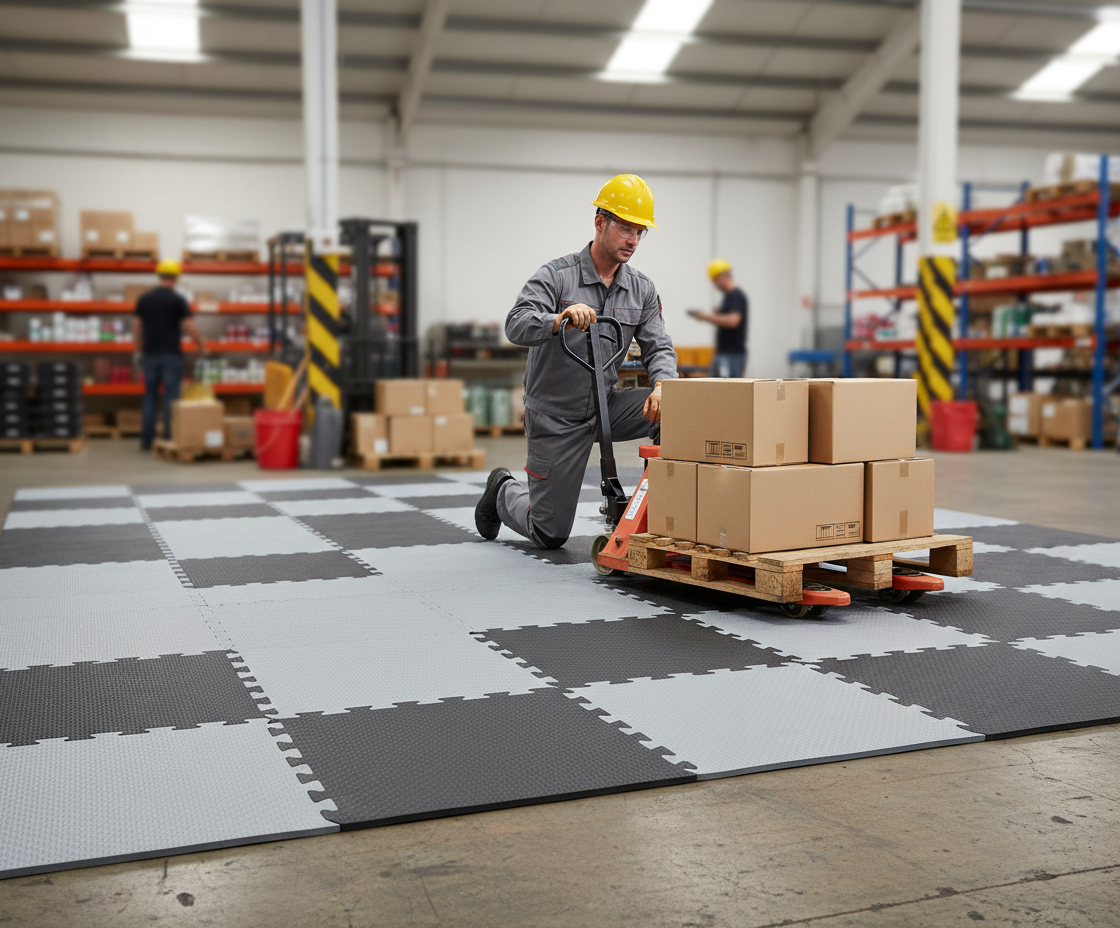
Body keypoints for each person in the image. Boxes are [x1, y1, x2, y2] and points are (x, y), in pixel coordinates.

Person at [474, 174, 678, 549]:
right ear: (600, 223)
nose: (633, 240)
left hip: (607, 405)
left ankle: (655, 517)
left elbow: (659, 346)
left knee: (680, 408)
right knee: (549, 533)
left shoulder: (642, 290)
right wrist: (557, 319)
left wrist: (665, 384)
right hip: (556, 415)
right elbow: (515, 323)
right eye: (626, 229)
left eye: (640, 232)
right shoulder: (556, 277)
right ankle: (503, 489)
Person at [132, 258, 205, 450]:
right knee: (171, 396)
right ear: (176, 278)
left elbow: (136, 325)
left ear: (159, 276)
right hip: (172, 355)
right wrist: (200, 344)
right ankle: (167, 438)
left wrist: (138, 348)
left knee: (150, 395)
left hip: (150, 355)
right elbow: (190, 326)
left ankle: (146, 440)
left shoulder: (145, 299)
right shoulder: (177, 299)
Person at [688, 259, 748, 378]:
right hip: (724, 354)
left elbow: (733, 321)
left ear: (722, 276)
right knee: (716, 389)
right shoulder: (729, 297)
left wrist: (707, 317)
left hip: (731, 355)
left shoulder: (736, 295)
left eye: (715, 280)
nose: (715, 284)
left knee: (728, 391)